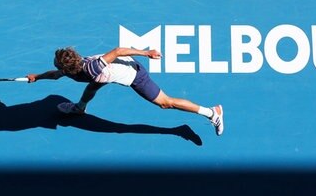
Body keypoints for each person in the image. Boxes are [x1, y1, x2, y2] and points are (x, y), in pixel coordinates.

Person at [26, 47, 224, 135]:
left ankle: (211, 112)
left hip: (132, 74)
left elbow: (119, 51)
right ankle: (80, 108)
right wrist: (37, 76)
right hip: (107, 74)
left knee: (166, 103)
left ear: (68, 69)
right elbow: (55, 74)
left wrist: (147, 53)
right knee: (92, 86)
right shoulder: (73, 68)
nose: (55, 66)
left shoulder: (93, 67)